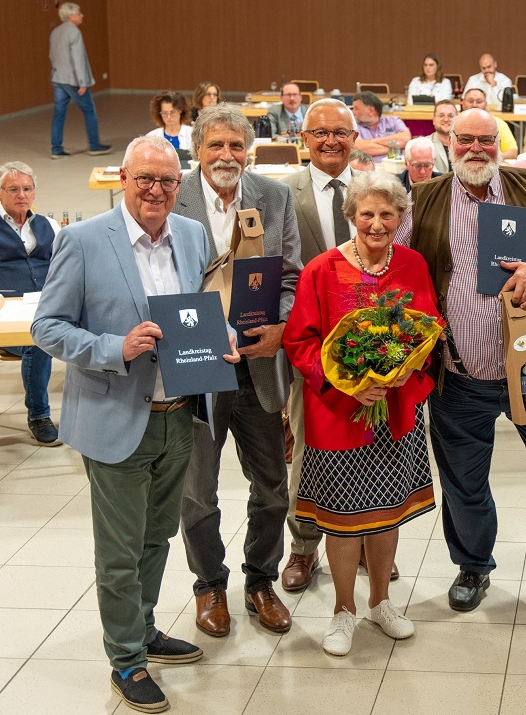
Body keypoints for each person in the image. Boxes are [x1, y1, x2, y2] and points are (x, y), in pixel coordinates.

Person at [31, 135, 236, 713]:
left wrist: (223, 342)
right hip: (116, 414)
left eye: (168, 181)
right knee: (119, 550)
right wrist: (112, 346)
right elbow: (47, 327)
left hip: (181, 416)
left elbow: (200, 313)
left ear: (180, 185)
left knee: (157, 537)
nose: (156, 191)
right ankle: (125, 658)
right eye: (145, 179)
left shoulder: (192, 235)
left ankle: (142, 630)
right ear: (123, 177)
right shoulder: (82, 239)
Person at [395, 106, 526, 615]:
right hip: (459, 377)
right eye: (464, 140)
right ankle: (473, 566)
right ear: (448, 142)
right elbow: (391, 265)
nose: (474, 149)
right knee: (464, 481)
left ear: (500, 144)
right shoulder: (420, 201)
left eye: (485, 140)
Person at [283, 171, 441, 653]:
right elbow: (299, 340)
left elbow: (429, 328)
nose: (376, 223)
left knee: (388, 513)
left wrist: (401, 373)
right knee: (342, 518)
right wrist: (348, 382)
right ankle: (342, 611)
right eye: (367, 213)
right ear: (351, 216)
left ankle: (380, 602)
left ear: (400, 218)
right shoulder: (322, 269)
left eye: (387, 214)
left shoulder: (412, 264)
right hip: (338, 412)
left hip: (394, 409)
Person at [176, 104, 302, 640]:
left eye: (235, 146)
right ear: (198, 149)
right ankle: (209, 584)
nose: (226, 156)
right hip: (197, 362)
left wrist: (279, 328)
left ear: (248, 150)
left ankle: (260, 581)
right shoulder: (171, 197)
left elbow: (292, 277)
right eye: (215, 145)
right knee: (198, 488)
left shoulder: (273, 198)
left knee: (272, 486)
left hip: (258, 365)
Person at [280, 99, 370, 593]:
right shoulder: (279, 195)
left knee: (370, 445)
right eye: (320, 132)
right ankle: (304, 546)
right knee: (309, 449)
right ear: (304, 138)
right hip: (308, 347)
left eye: (340, 131)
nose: (330, 140)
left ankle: (364, 538)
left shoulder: (376, 189)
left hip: (372, 349)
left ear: (355, 138)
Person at [0, 162, 62, 444]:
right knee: (37, 340)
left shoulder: (50, 225)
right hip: (0, 318)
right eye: (14, 189)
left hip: (47, 310)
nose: (22, 195)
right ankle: (39, 416)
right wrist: (6, 307)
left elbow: (64, 270)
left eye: (27, 189)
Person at [48, 2, 110, 159]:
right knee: (89, 110)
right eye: (79, 13)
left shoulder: (55, 31)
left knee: (59, 113)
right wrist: (83, 82)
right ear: (71, 16)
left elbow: (52, 55)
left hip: (58, 78)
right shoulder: (74, 32)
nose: (81, 15)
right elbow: (78, 59)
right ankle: (94, 145)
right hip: (72, 80)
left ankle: (56, 149)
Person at [461, 88, 518, 159]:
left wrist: (488, 158)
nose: (474, 105)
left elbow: (513, 152)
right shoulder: (455, 123)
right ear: (463, 103)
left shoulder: (498, 123)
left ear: (485, 104)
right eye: (470, 101)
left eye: (479, 101)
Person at [352, 91, 410, 158]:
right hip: (369, 168)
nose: (353, 112)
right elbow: (359, 148)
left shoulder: (393, 121)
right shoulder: (354, 126)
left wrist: (369, 142)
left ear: (370, 111)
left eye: (356, 109)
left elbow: (405, 139)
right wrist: (396, 148)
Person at [146, 90, 193, 154]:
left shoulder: (192, 134)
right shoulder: (151, 137)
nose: (169, 117)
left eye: (172, 112)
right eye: (164, 113)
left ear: (180, 111)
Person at [429, 100, 456, 174]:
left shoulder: (466, 144)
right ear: (434, 120)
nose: (446, 119)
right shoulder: (424, 145)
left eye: (450, 116)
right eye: (441, 116)